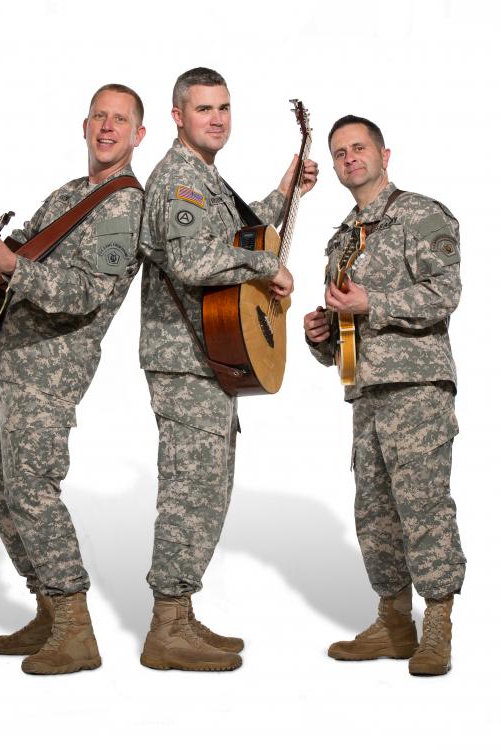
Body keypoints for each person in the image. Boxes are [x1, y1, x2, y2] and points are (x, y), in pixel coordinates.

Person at [0, 84, 146, 676]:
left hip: (53, 366)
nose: (107, 128)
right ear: (84, 125)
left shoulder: (125, 207)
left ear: (139, 135)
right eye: (99, 117)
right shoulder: (67, 194)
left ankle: (75, 628)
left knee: (33, 485)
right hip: (11, 357)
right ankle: (45, 607)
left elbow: (86, 293)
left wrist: (12, 269)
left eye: (120, 120)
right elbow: (23, 248)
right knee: (4, 487)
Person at [137, 67, 318, 671]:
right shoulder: (180, 179)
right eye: (204, 109)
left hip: (210, 358)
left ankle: (182, 616)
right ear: (177, 116)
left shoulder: (206, 178)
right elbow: (193, 259)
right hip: (184, 360)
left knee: (208, 491)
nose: (216, 118)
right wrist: (264, 269)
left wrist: (285, 189)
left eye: (224, 108)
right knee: (189, 492)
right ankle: (166, 629)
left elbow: (236, 233)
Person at [303, 115, 465, 676]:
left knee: (423, 507)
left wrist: (372, 302)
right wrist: (320, 336)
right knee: (374, 515)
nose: (350, 158)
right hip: (365, 391)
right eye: (340, 152)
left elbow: (444, 293)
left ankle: (437, 622)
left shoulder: (422, 215)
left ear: (384, 154)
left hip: (417, 390)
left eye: (359, 148)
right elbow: (345, 336)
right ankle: (394, 623)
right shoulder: (342, 238)